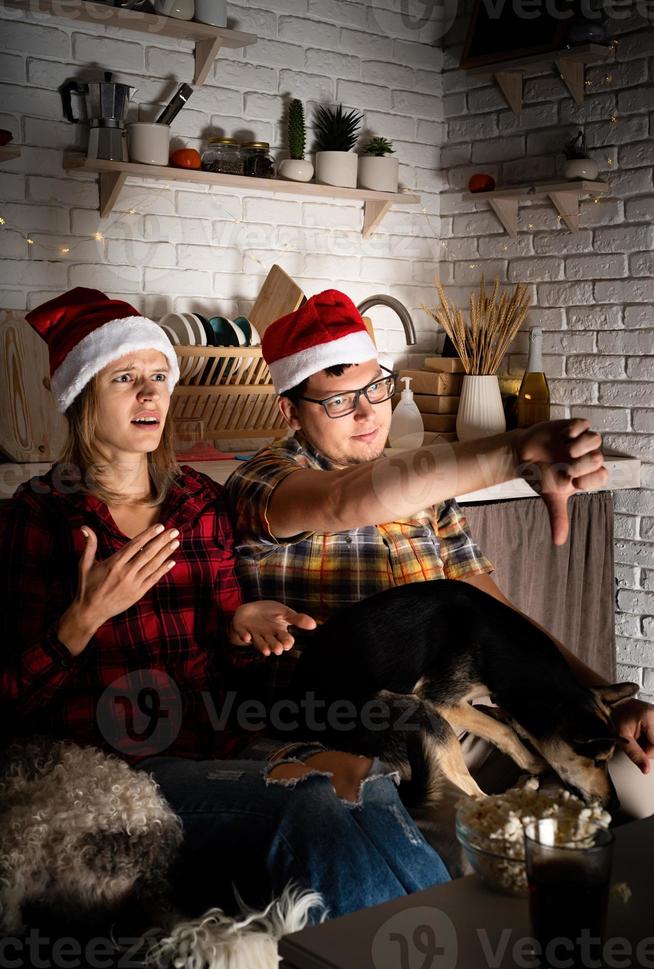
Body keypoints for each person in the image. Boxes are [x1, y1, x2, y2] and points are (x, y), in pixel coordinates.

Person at [0, 287, 451, 925]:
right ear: (80, 397)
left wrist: (241, 626)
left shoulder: (196, 502)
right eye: (125, 379)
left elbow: (226, 661)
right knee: (309, 809)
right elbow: (12, 702)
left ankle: (443, 941)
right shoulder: (40, 516)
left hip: (221, 737)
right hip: (119, 768)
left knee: (365, 779)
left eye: (158, 376)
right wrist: (83, 620)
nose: (150, 394)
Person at [225, 288, 654, 826]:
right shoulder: (264, 481)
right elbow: (343, 500)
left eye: (376, 388)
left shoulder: (425, 489)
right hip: (343, 728)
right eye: (338, 400)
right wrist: (514, 450)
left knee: (642, 782)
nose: (367, 412)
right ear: (289, 410)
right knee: (482, 836)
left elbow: (496, 616)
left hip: (458, 719)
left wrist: (597, 700)